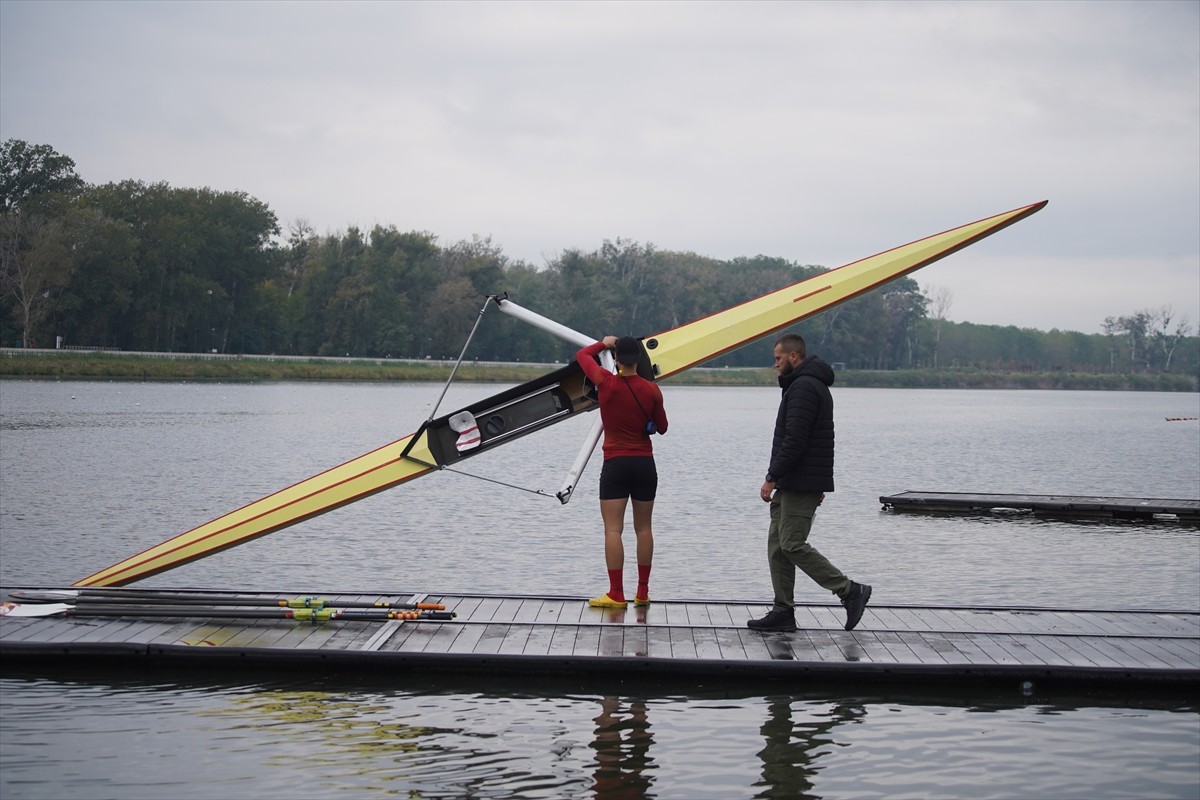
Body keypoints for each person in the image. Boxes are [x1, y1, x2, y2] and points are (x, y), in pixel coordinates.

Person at [747, 332, 871, 632]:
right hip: (796, 480)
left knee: (791, 543)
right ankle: (783, 612)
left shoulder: (804, 387)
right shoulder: (803, 385)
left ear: (793, 357)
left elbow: (796, 441)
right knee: (778, 547)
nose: (775, 365)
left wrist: (771, 477)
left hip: (797, 481)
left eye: (778, 358)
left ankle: (849, 590)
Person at [575, 335, 669, 608]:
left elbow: (583, 356)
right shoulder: (652, 390)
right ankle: (642, 592)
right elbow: (662, 428)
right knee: (644, 529)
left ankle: (616, 593)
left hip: (615, 464)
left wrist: (604, 344)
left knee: (613, 530)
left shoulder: (606, 383)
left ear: (616, 360)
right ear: (638, 359)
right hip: (644, 464)